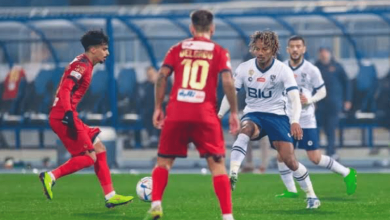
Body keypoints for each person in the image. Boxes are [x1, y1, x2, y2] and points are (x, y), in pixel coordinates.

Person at [144, 10, 240, 220]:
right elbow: (227, 82)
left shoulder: (177, 49)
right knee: (217, 167)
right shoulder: (219, 51)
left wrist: (158, 107)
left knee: (163, 163)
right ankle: (227, 216)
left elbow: (161, 77)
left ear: (191, 28)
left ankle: (156, 204)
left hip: (177, 112)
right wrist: (233, 112)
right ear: (212, 29)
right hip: (205, 115)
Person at [218, 30, 320, 209]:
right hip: (254, 113)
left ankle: (311, 195)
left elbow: (294, 98)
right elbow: (231, 93)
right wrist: (219, 115)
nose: (260, 52)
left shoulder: (283, 70)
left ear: (273, 49)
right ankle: (233, 172)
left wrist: (295, 120)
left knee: (290, 160)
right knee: (245, 129)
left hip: (277, 116)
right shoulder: (244, 68)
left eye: (264, 49)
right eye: (257, 48)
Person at [39, 30, 134, 208]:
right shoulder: (82, 66)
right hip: (63, 115)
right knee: (90, 158)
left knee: (99, 148)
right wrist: (68, 113)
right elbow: (66, 88)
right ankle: (50, 176)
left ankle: (110, 196)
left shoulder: (84, 63)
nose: (107, 53)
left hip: (65, 113)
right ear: (92, 49)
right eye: (104, 49)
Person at [275, 35, 357, 198]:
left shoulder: (312, 69)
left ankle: (347, 173)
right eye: (292, 46)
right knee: (282, 154)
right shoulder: (281, 68)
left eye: (299, 46)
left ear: (304, 49)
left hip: (306, 119)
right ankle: (291, 190)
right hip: (287, 118)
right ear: (288, 49)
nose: (295, 49)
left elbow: (322, 91)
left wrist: (310, 100)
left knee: (315, 158)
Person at [315, 47, 352, 158]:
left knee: (331, 128)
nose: (324, 55)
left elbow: (347, 84)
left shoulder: (337, 66)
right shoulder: (315, 67)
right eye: (321, 53)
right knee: (316, 128)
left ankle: (331, 151)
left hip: (334, 103)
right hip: (319, 103)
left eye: (325, 53)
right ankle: (315, 152)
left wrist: (347, 100)